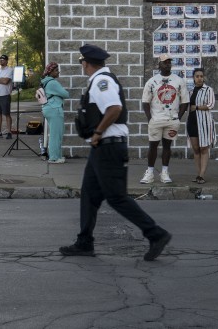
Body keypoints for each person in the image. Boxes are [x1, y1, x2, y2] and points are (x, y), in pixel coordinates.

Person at [60, 44, 172, 261]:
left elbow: (114, 108)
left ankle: (156, 234)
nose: (82, 66)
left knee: (117, 198)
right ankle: (84, 242)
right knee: (89, 195)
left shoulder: (103, 82)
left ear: (87, 63)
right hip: (101, 148)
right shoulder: (98, 80)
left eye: (82, 63)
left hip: (108, 146)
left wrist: (97, 133)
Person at [140, 54, 189, 184]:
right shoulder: (152, 82)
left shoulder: (178, 81)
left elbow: (185, 101)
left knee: (167, 146)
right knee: (153, 146)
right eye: (164, 62)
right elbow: (145, 101)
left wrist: (178, 117)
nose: (167, 64)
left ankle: (165, 173)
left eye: (169, 62)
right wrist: (150, 118)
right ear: (159, 65)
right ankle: (150, 173)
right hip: (156, 120)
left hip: (171, 120)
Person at [186, 68, 215, 184]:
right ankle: (198, 174)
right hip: (192, 121)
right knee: (196, 149)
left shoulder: (208, 90)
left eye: (201, 76)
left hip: (204, 123)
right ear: (193, 78)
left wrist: (197, 107)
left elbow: (211, 104)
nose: (199, 78)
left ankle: (202, 175)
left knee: (204, 148)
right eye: (197, 76)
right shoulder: (191, 91)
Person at [40, 62, 70, 164]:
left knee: (56, 133)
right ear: (51, 72)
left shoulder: (46, 82)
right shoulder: (53, 83)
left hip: (49, 108)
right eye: (56, 70)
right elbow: (66, 94)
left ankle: (58, 156)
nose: (58, 72)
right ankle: (54, 157)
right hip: (54, 109)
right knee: (55, 135)